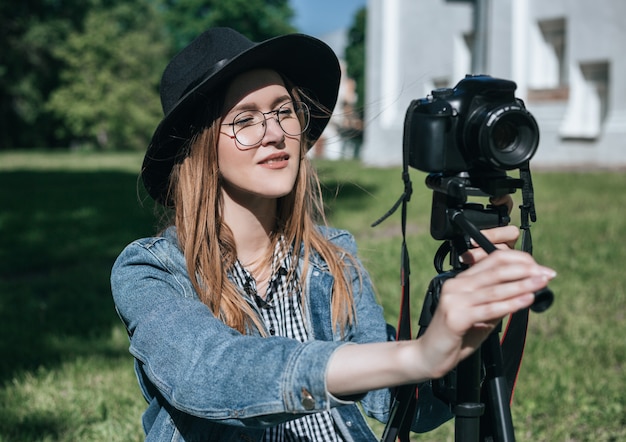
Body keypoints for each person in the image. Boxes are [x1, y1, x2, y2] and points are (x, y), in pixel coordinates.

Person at [110, 27, 556, 441]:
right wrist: (414, 356)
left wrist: (466, 319)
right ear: (200, 147)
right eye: (245, 119)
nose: (275, 133)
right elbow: (209, 374)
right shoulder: (153, 269)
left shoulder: (331, 256)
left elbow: (405, 403)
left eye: (284, 111)